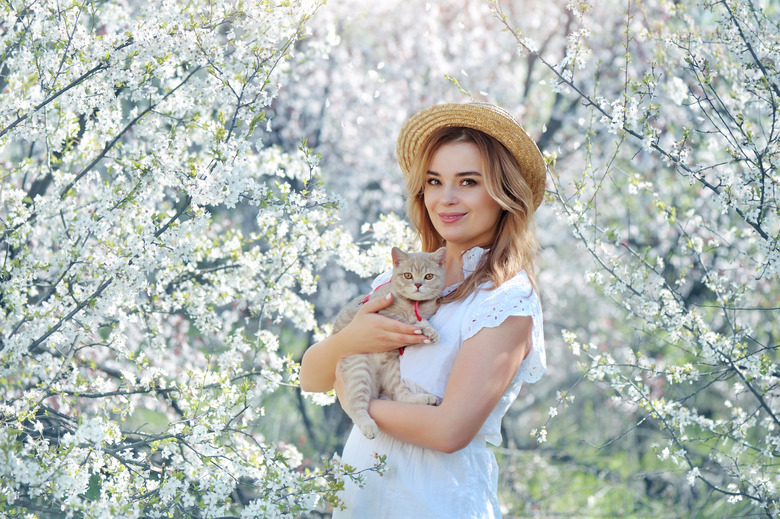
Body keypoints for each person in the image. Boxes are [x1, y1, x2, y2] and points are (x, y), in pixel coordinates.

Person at [299, 102, 547, 518]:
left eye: (468, 182)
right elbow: (311, 377)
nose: (446, 199)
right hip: (361, 491)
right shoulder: (399, 280)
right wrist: (348, 341)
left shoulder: (504, 302)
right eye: (434, 181)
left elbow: (449, 430)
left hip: (434, 500)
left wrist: (355, 400)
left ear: (504, 194)